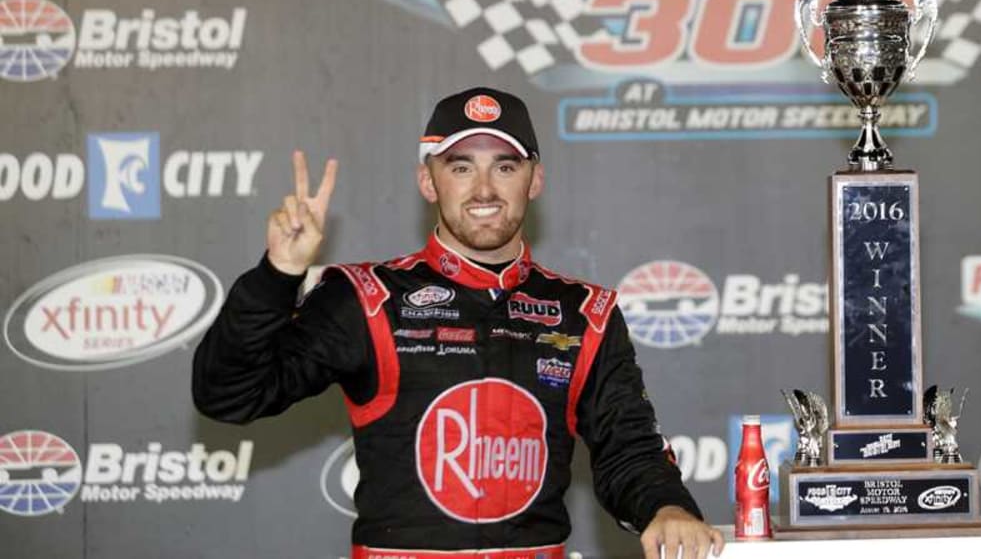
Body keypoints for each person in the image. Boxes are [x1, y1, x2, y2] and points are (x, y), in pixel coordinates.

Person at [192, 87, 725, 559]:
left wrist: (667, 506)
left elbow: (626, 447)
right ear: (429, 182)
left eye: (506, 167)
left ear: (535, 180)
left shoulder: (583, 314)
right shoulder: (367, 299)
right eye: (462, 166)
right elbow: (228, 394)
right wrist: (277, 274)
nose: (485, 189)